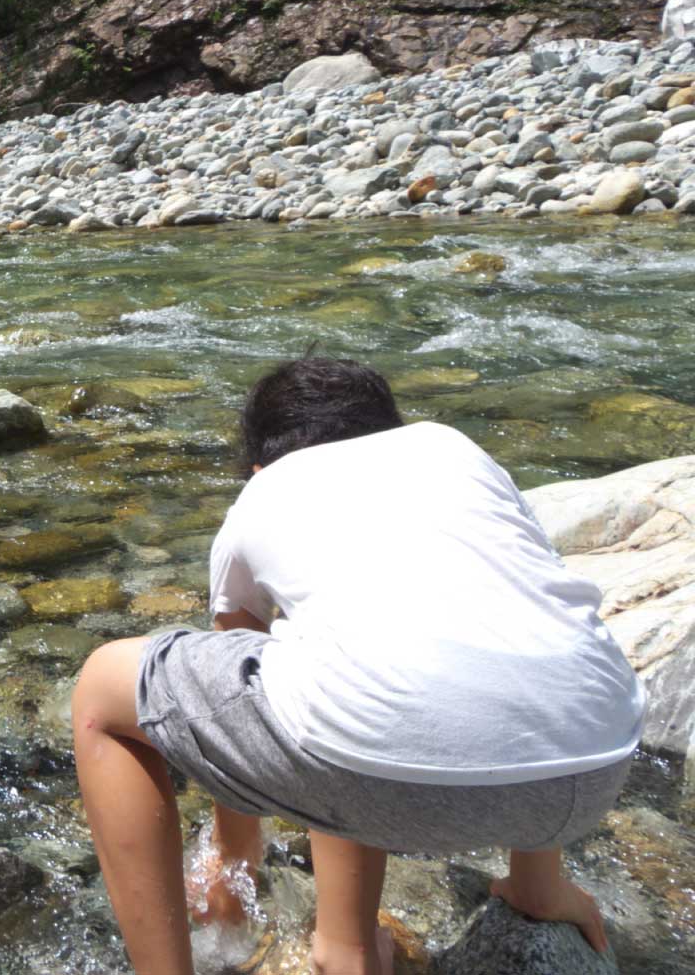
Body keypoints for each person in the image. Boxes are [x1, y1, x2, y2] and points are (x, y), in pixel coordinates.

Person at [73, 356, 645, 975]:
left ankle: (335, 948)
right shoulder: (451, 449)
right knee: (422, 638)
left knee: (106, 692)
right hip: (597, 769)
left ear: (260, 463)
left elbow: (237, 674)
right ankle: (537, 884)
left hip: (378, 770)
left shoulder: (262, 495)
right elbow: (523, 615)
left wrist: (236, 860)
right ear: (391, 426)